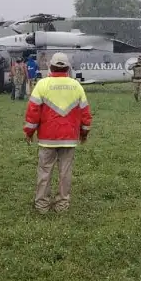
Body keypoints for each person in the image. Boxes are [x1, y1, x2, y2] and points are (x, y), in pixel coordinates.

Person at [24, 52, 93, 214]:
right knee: (65, 172)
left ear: (50, 66)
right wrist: (84, 134)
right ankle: (62, 205)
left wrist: (29, 132)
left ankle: (42, 205)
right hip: (69, 138)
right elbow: (85, 114)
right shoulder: (76, 86)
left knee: (44, 171)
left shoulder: (42, 84)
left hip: (47, 139)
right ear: (68, 68)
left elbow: (32, 113)